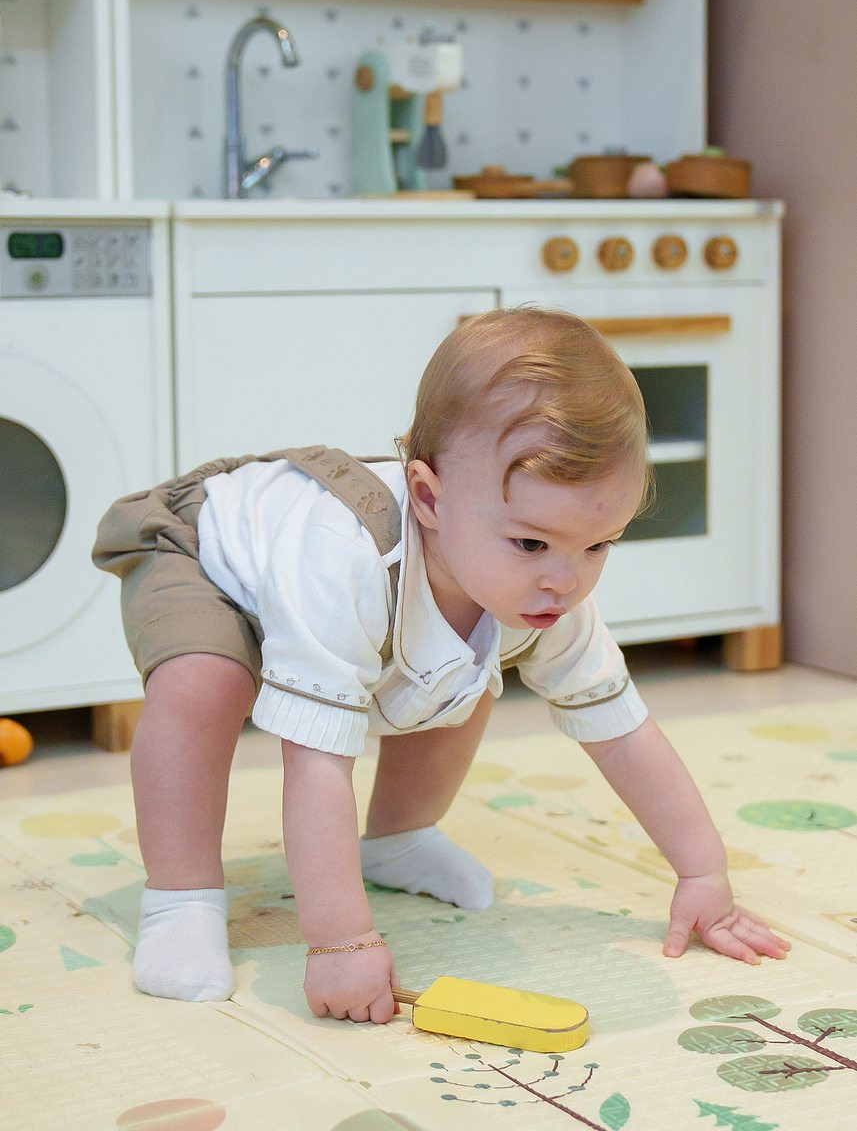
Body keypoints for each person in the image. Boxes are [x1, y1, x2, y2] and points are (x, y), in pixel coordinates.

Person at [92, 307, 790, 1023]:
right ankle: (180, 899)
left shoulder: (544, 587)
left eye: (598, 545)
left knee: (466, 668)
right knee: (205, 683)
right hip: (202, 550)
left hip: (337, 581)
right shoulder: (345, 557)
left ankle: (399, 839)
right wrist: (340, 942)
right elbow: (315, 763)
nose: (566, 580)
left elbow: (623, 733)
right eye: (531, 544)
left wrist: (703, 873)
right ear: (428, 497)